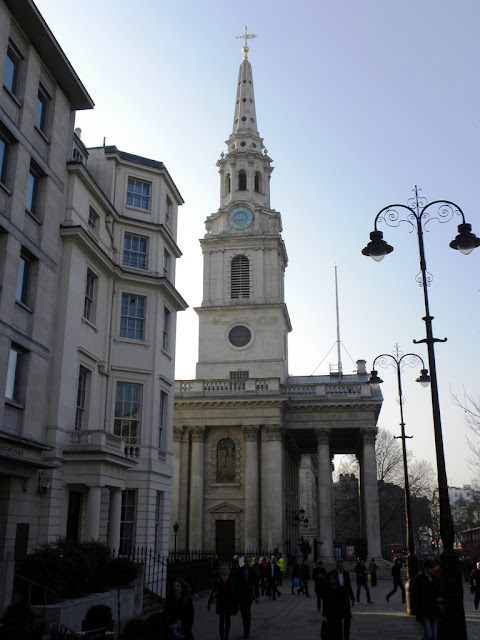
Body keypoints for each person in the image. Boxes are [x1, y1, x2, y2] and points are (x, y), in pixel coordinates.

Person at [412, 558, 441, 640]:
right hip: (424, 610)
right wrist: (417, 609)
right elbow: (415, 595)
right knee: (429, 634)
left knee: (434, 635)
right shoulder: (419, 579)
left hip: (434, 610)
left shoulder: (435, 579)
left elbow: (438, 594)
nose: (433, 570)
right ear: (426, 568)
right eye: (431, 568)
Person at [323, 571, 350, 640]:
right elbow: (325, 602)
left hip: (338, 614)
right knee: (330, 631)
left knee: (338, 631)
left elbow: (344, 602)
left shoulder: (340, 589)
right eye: (330, 578)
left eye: (332, 578)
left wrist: (344, 613)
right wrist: (324, 614)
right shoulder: (327, 588)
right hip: (329, 613)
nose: (331, 580)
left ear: (335, 579)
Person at [236, 556, 256, 639]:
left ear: (250, 562)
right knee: (243, 614)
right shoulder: (240, 571)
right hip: (241, 596)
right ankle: (245, 626)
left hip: (248, 595)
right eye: (247, 561)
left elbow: (255, 583)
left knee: (247, 613)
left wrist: (257, 594)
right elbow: (236, 584)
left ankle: (246, 631)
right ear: (244, 561)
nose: (248, 563)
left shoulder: (252, 571)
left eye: (249, 561)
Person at [334, 558, 355, 640]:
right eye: (339, 566)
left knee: (347, 619)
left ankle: (346, 637)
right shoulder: (333, 573)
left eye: (342, 566)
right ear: (337, 566)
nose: (340, 567)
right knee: (338, 619)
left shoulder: (346, 573)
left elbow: (349, 586)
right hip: (336, 599)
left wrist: (352, 598)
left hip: (345, 598)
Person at [215, 565, 238, 640]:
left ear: (228, 571)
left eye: (226, 569)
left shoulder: (231, 579)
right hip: (221, 603)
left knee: (227, 621)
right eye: (223, 569)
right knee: (221, 621)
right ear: (221, 571)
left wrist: (235, 602)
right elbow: (214, 590)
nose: (225, 570)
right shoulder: (218, 580)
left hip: (228, 603)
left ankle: (226, 635)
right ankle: (222, 637)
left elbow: (234, 591)